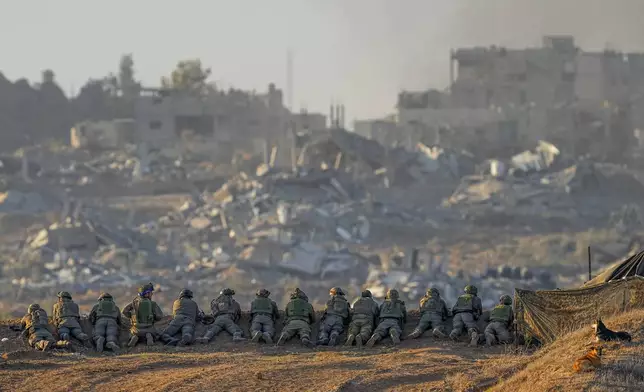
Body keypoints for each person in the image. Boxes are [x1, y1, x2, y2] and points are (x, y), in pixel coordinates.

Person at [122, 283, 164, 347]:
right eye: (150, 293)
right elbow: (160, 316)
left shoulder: (134, 303)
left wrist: (131, 316)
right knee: (155, 333)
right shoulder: (153, 304)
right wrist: (154, 318)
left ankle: (135, 337)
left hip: (137, 329)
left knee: (133, 333)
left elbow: (124, 311)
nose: (152, 294)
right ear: (146, 294)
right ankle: (149, 336)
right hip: (149, 328)